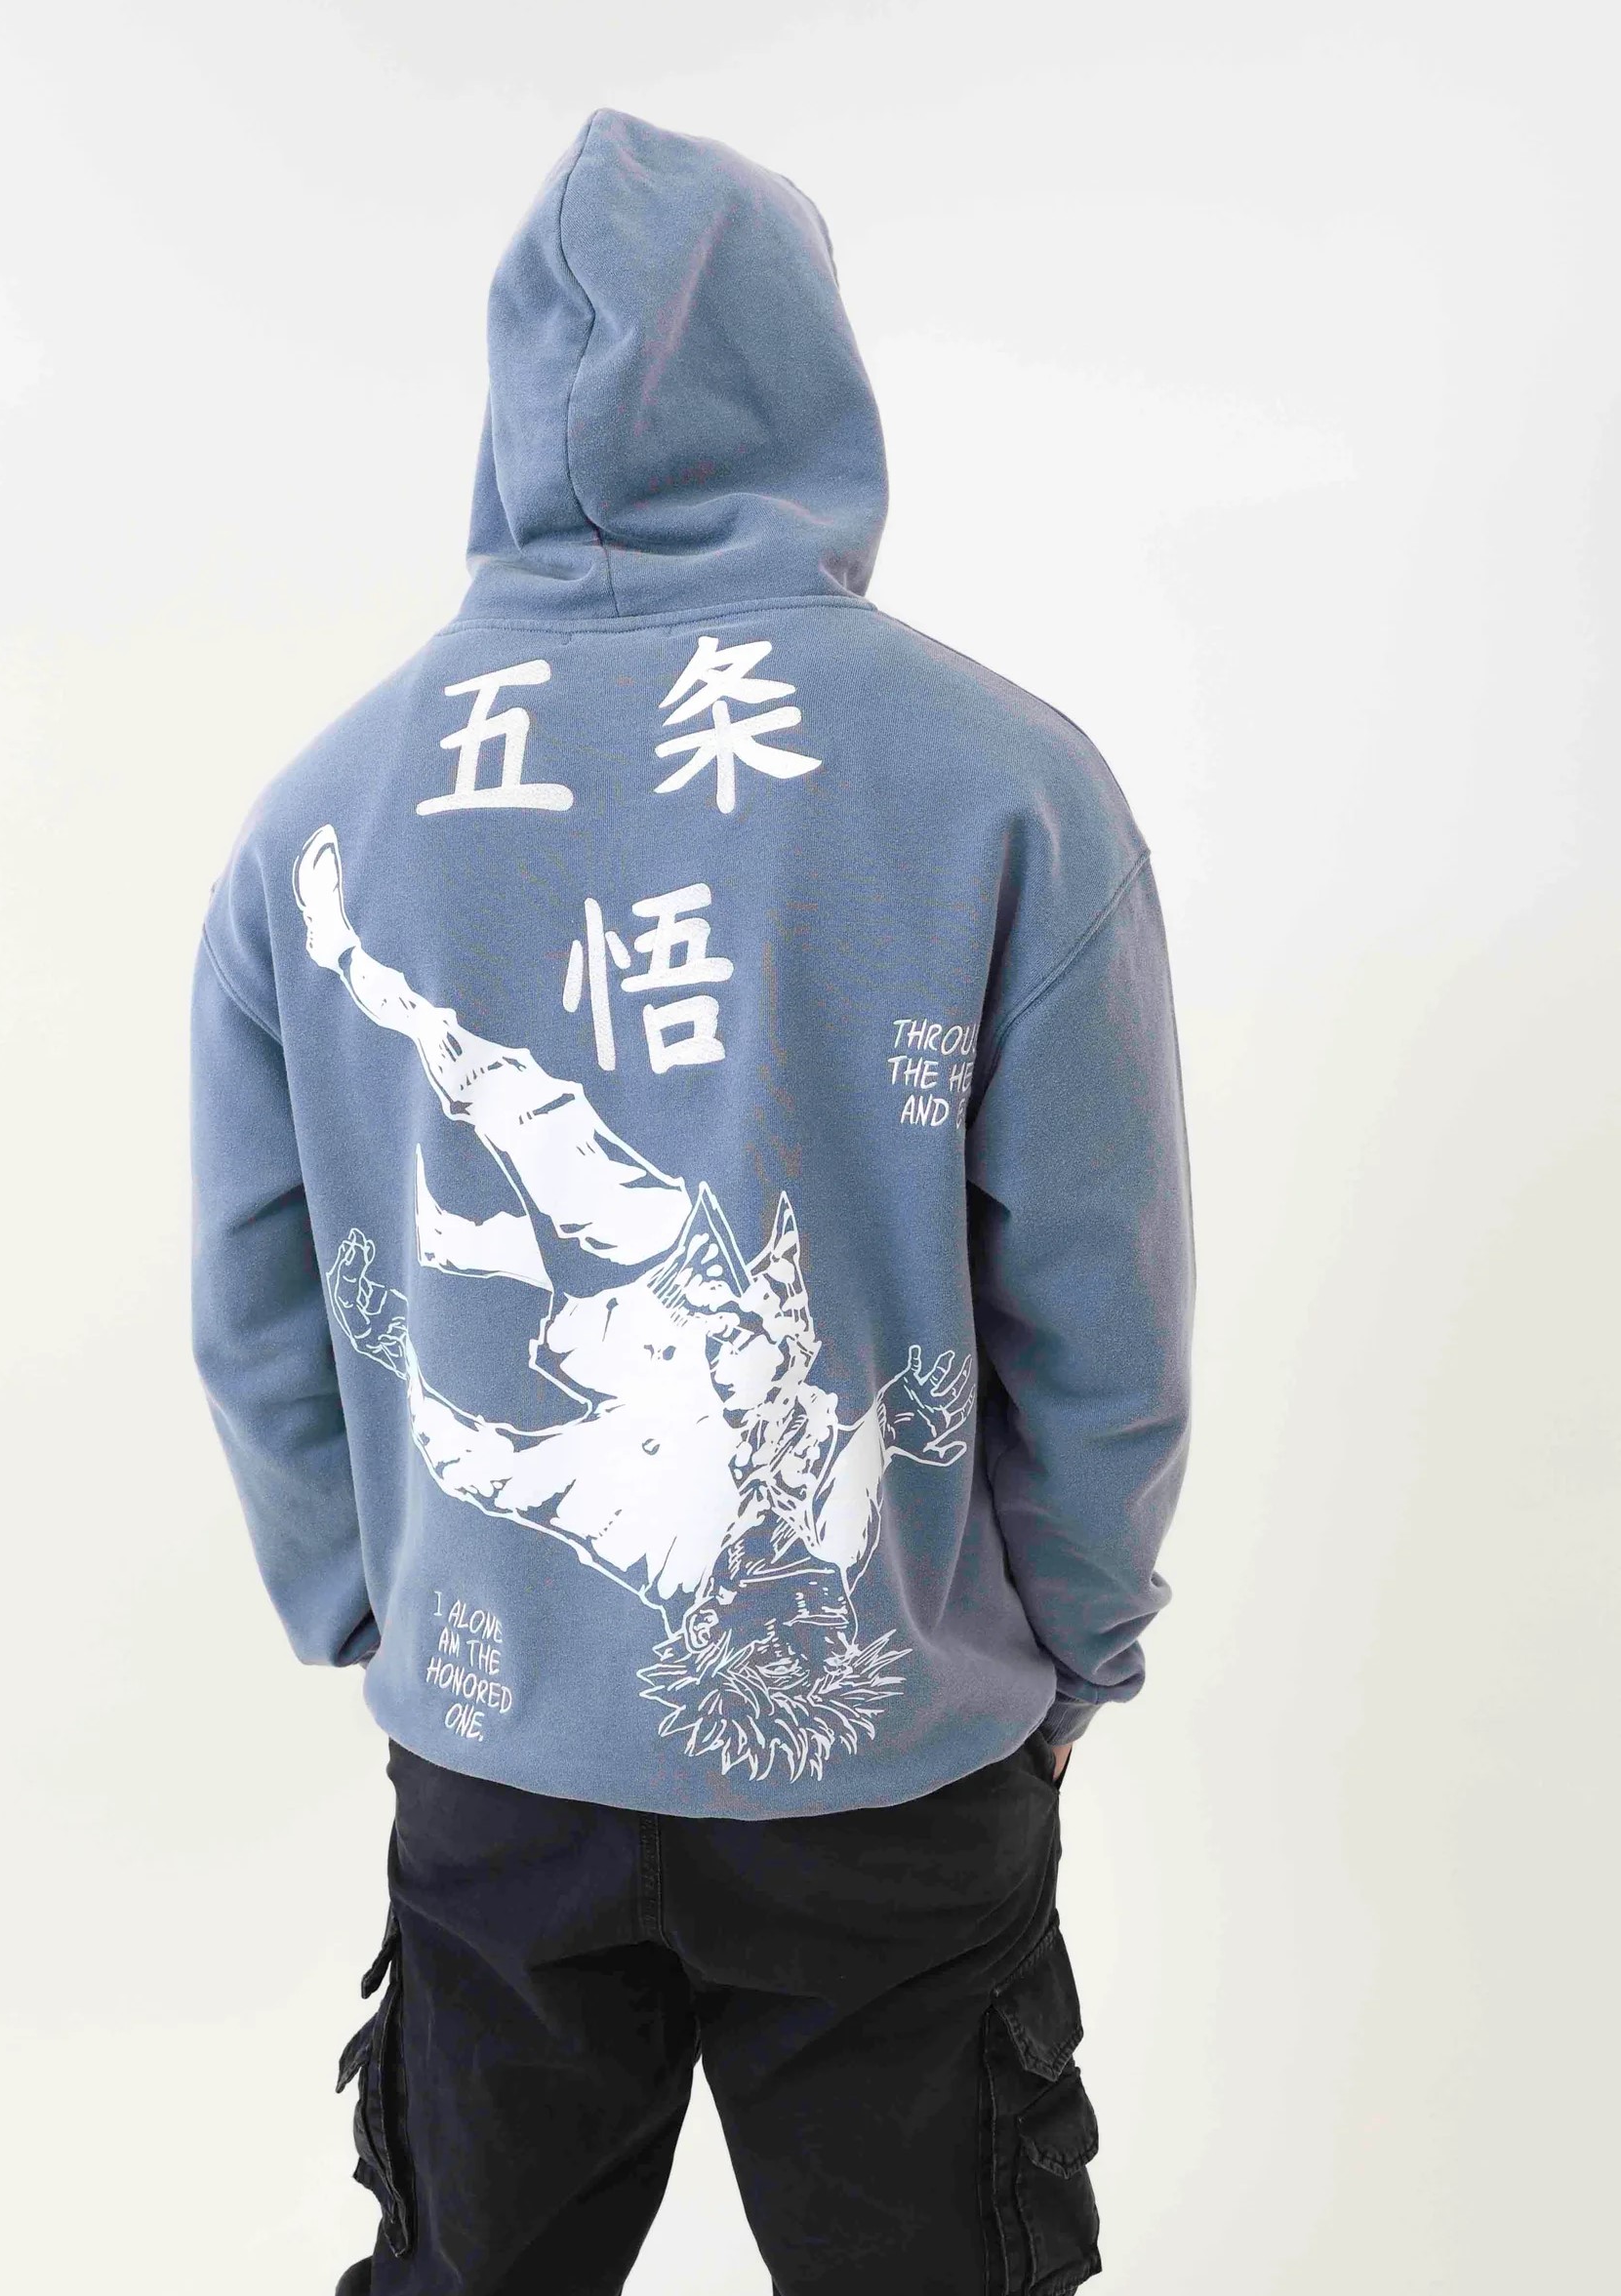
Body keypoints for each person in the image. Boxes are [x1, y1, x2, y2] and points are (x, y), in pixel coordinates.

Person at [192, 108, 1193, 2296]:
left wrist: (368, 1604)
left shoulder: (326, 806)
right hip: (892, 1757)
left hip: (500, 1745)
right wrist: (1072, 1643)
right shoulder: (1003, 784)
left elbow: (257, 1293)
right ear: (809, 376)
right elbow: (1095, 1301)